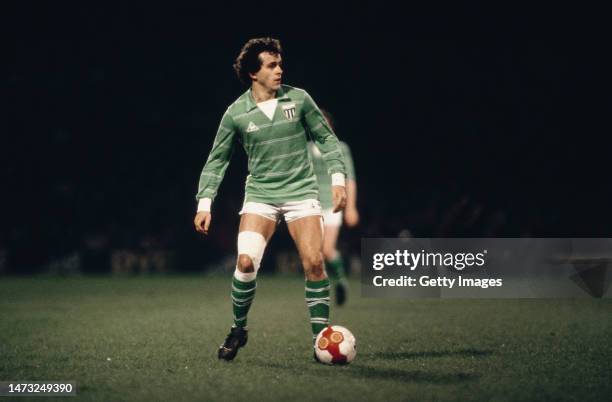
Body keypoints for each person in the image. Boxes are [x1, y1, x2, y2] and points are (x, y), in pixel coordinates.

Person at [193, 38, 347, 361]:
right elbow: (216, 160)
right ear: (253, 73)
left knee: (315, 262)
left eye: (280, 64)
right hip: (261, 195)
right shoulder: (236, 113)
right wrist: (204, 203)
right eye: (272, 65)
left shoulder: (299, 99)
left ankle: (321, 339)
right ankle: (238, 329)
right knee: (246, 262)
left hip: (301, 192)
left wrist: (337, 179)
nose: (280, 70)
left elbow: (328, 141)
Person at [308, 110, 359, 306]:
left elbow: (349, 178)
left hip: (332, 204)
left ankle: (341, 281)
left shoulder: (340, 148)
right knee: (314, 253)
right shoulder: (307, 148)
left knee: (327, 249)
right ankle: (322, 291)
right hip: (311, 204)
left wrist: (351, 207)